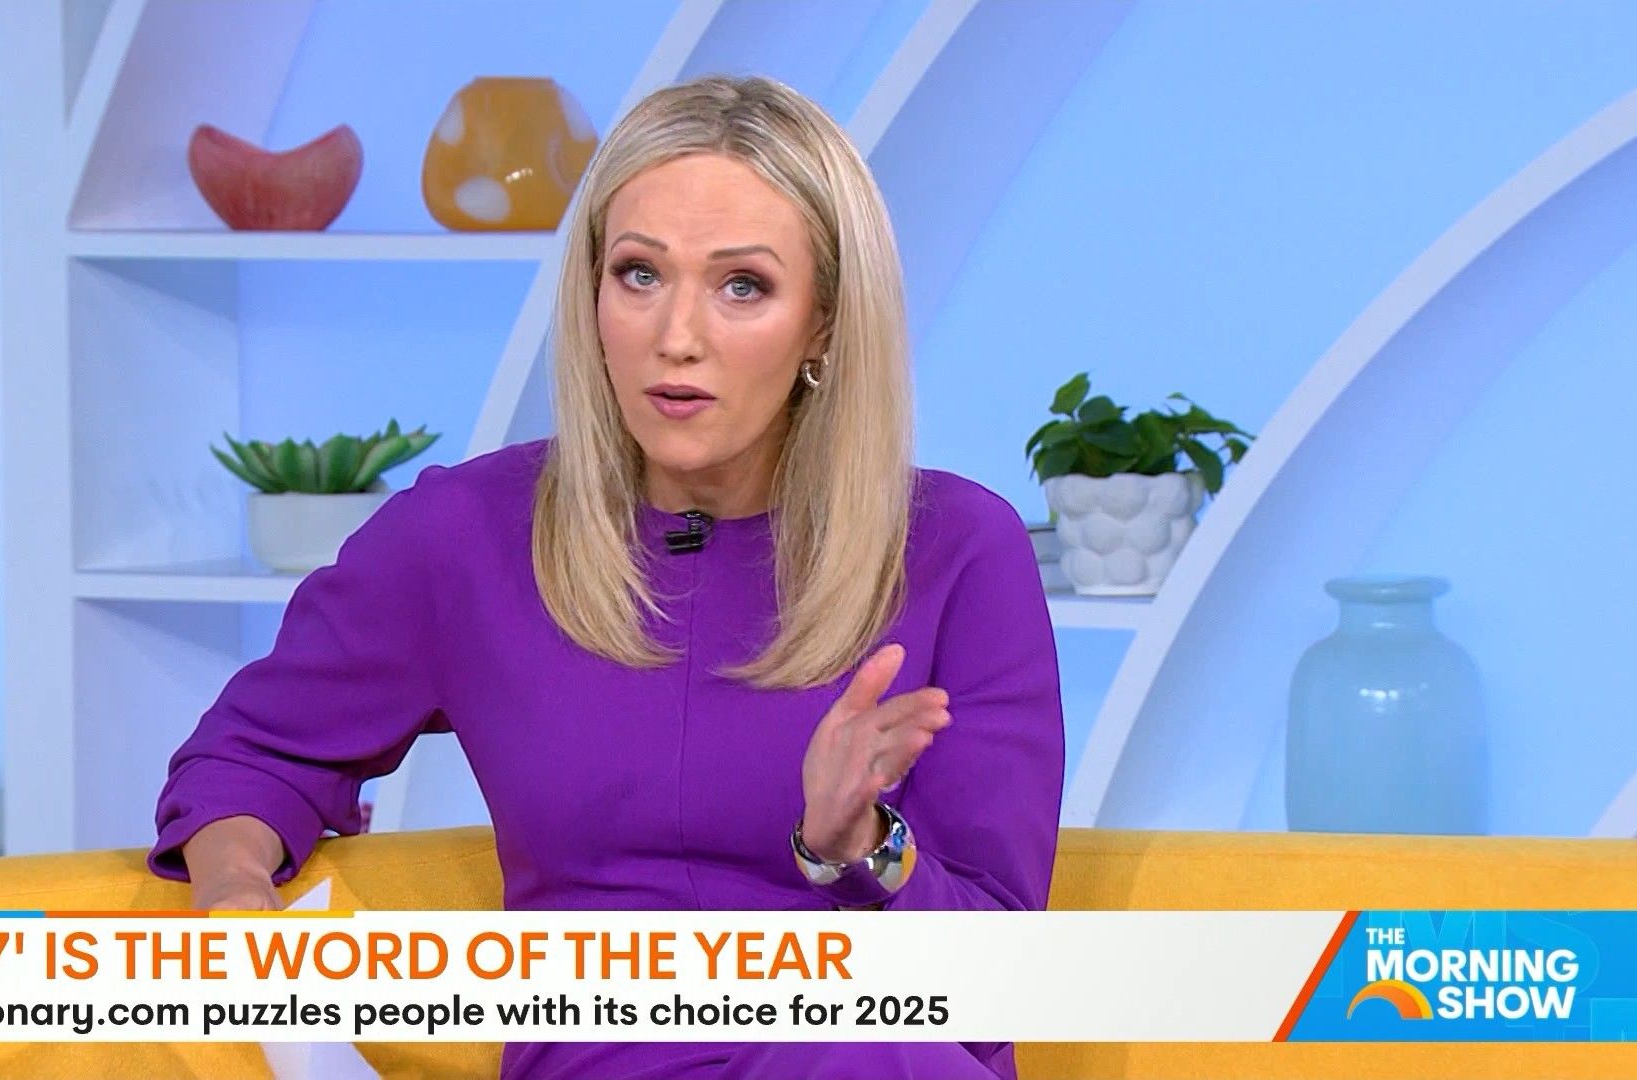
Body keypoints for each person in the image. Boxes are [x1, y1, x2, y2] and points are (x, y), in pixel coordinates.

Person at [148, 73, 1064, 1080]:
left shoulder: (957, 549)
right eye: (639, 274)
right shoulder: (467, 536)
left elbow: (995, 992)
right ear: (591, 296)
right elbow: (253, 756)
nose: (677, 337)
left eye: (742, 286)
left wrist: (862, 846)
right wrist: (236, 899)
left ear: (825, 324)